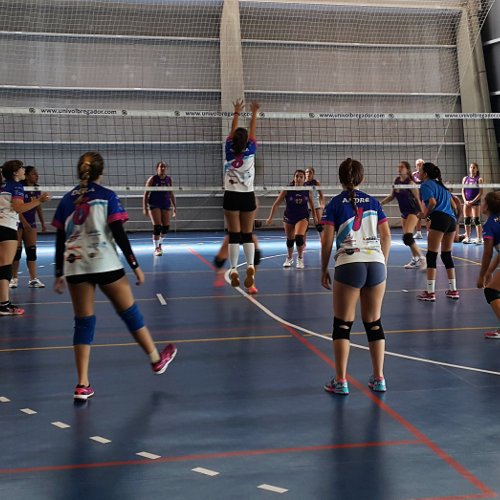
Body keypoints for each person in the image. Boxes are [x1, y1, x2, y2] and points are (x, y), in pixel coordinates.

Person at [52, 152, 177, 400]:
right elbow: (119, 234)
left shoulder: (66, 200)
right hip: (104, 262)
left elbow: (59, 238)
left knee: (83, 323)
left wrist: (58, 273)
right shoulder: (107, 196)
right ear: (102, 172)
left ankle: (82, 384)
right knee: (130, 313)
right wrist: (135, 266)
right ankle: (156, 359)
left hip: (75, 264)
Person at [320, 158, 391, 395]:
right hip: (376, 263)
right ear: (362, 179)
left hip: (350, 262)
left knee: (342, 324)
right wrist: (383, 262)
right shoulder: (373, 202)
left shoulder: (334, 204)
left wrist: (323, 268)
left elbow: (327, 241)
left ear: (340, 179)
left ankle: (340, 380)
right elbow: (386, 236)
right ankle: (379, 378)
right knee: (374, 323)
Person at [0, 160, 50, 315]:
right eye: (21, 168)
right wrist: (39, 200)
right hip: (7, 227)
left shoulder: (3, 186)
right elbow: (18, 207)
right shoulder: (16, 186)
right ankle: (4, 305)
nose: (24, 170)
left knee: (3, 265)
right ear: (15, 172)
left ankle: (4, 303)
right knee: (5, 267)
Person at [223, 99, 260, 289]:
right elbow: (252, 131)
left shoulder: (228, 147)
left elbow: (232, 132)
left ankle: (234, 268)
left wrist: (236, 112)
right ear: (246, 140)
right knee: (247, 234)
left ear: (233, 139)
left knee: (233, 234)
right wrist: (254, 113)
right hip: (247, 196)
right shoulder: (251, 148)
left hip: (231, 195)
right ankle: (250, 265)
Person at [416, 162, 459, 301]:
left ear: (425, 174)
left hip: (439, 219)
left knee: (431, 255)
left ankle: (430, 292)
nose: (418, 173)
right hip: (451, 221)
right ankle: (453, 290)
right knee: (446, 255)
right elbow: (454, 206)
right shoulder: (443, 186)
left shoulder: (426, 185)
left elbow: (433, 202)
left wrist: (425, 215)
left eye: (420, 171)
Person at [265, 169, 319, 268]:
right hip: (289, 217)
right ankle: (289, 258)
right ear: (294, 178)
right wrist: (270, 218)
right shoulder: (287, 189)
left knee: (299, 237)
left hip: (302, 217)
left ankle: (300, 258)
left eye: (301, 177)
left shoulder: (307, 190)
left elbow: (311, 202)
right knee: (290, 240)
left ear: (304, 179)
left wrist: (315, 216)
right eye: (297, 176)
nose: (298, 178)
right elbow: (276, 204)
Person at [380, 161, 425, 269]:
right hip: (403, 213)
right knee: (407, 238)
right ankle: (415, 259)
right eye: (399, 167)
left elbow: (418, 200)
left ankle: (422, 258)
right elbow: (392, 196)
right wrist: (381, 203)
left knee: (408, 236)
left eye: (402, 167)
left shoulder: (411, 183)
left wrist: (423, 213)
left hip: (413, 211)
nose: (399, 169)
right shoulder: (396, 181)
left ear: (407, 170)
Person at [10, 166, 47, 289]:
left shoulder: (36, 188)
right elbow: (17, 207)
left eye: (36, 174)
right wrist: (24, 222)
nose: (36, 176)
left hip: (31, 223)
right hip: (18, 222)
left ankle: (33, 279)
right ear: (26, 176)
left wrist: (43, 223)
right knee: (17, 252)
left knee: (31, 251)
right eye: (33, 174)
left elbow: (38, 206)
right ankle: (14, 278)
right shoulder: (19, 187)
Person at [476, 191, 500, 338]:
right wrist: (490, 271)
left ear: (487, 207)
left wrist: (481, 276)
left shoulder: (490, 224)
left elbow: (488, 253)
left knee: (490, 291)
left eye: (483, 201)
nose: (481, 204)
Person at [143, 161, 177, 256]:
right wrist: (144, 208)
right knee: (157, 227)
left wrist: (175, 207)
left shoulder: (169, 179)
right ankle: (156, 248)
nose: (162, 168)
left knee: (165, 227)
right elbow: (145, 194)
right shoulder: (152, 179)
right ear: (157, 168)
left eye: (164, 167)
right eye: (161, 167)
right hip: (154, 204)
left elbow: (171, 193)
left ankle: (160, 244)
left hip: (165, 204)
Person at [461, 162, 483, 244]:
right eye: (471, 167)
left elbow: (481, 192)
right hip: (466, 202)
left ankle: (479, 238)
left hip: (475, 202)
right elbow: (463, 191)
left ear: (477, 169)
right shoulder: (465, 179)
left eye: (474, 167)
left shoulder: (479, 179)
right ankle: (467, 237)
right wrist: (465, 201)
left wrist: (473, 201)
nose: (472, 169)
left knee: (476, 220)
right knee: (467, 220)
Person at [305, 167, 325, 241]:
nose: (308, 174)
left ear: (313, 174)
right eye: (307, 172)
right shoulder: (303, 183)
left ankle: (322, 242)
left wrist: (322, 205)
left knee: (319, 226)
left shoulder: (316, 183)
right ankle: (303, 243)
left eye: (310, 172)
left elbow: (322, 196)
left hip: (316, 204)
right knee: (305, 226)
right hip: (306, 205)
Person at [412, 158, 425, 239]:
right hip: (417, 197)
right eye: (418, 165)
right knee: (417, 215)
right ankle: (418, 233)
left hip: (425, 196)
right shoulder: (413, 175)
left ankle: (429, 232)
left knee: (427, 215)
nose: (419, 166)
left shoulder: (426, 174)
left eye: (421, 165)